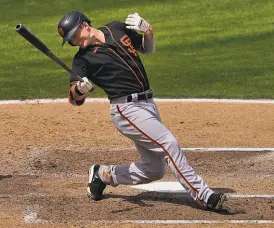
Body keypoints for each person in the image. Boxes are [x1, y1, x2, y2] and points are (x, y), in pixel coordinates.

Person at [57, 10, 227, 212]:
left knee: (154, 170)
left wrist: (147, 31)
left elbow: (148, 49)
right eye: (70, 41)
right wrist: (79, 89)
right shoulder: (82, 60)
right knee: (168, 144)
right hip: (126, 110)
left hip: (148, 104)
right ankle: (204, 195)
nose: (74, 43)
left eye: (73, 36)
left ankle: (103, 174)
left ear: (84, 25)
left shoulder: (116, 28)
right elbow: (74, 99)